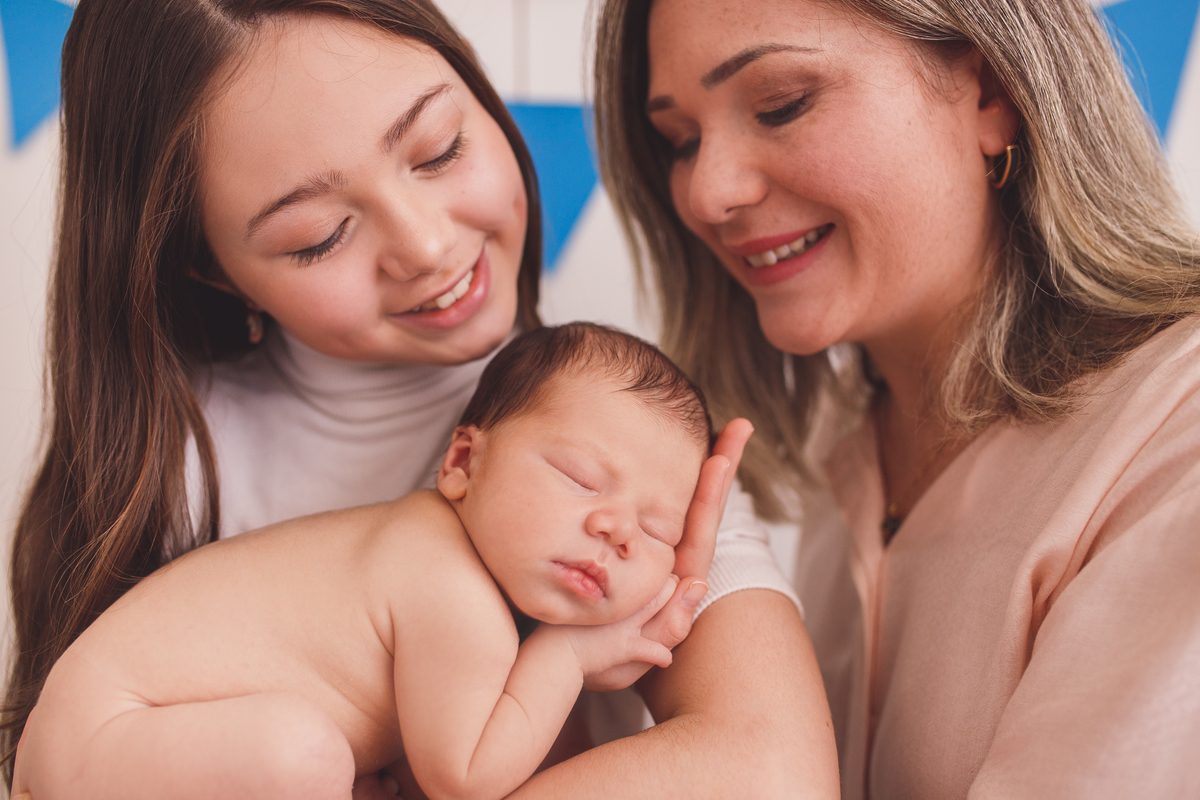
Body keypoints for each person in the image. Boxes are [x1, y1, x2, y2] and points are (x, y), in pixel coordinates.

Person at [3, 1, 840, 798]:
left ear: (479, 93)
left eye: (440, 149)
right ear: (213, 267)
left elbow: (774, 778)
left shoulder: (629, 434)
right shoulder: (172, 463)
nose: (427, 245)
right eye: (318, 236)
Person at [594, 0, 1200, 797]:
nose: (709, 191)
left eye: (781, 104)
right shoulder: (842, 455)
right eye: (681, 141)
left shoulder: (1173, 435)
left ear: (992, 92)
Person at [15, 323, 724, 800]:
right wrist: (569, 655)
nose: (617, 530)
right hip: (104, 739)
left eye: (657, 528)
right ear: (463, 462)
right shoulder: (449, 589)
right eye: (580, 478)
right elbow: (468, 776)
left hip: (102, 738)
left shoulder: (427, 544)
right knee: (306, 755)